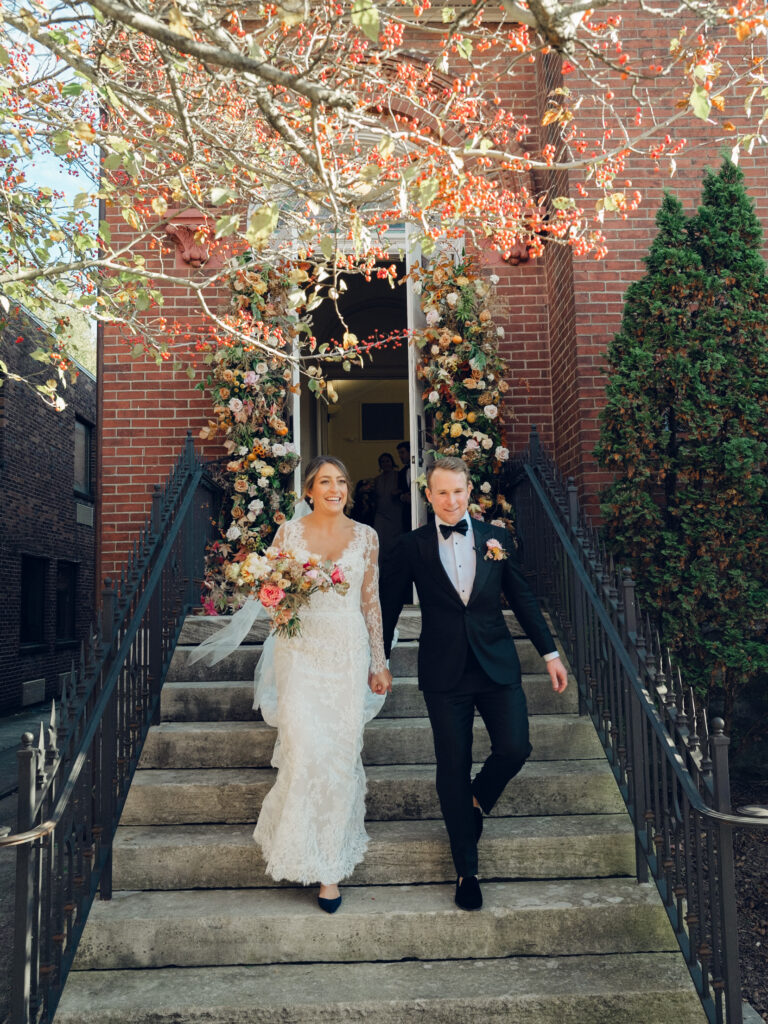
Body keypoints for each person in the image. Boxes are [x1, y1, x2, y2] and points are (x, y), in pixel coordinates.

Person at [194, 456, 392, 914]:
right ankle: (299, 848)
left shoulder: (367, 537)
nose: (335, 489)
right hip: (300, 654)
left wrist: (378, 661)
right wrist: (281, 600)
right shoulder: (289, 534)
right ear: (309, 490)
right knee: (304, 750)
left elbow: (371, 601)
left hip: (345, 652)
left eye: (342, 481)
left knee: (339, 754)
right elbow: (274, 595)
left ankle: (330, 870)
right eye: (326, 481)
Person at [379, 457, 568, 911]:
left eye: (458, 491)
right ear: (428, 496)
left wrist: (550, 654)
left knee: (515, 747)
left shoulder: (496, 539)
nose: (451, 500)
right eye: (441, 492)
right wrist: (379, 659)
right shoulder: (411, 546)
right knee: (451, 766)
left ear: (470, 493)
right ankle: (467, 870)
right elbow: (386, 607)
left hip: (496, 665)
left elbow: (521, 597)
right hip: (444, 673)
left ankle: (478, 798)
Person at [372, 451, 404, 557]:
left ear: (392, 462)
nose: (385, 463)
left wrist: (398, 492)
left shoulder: (398, 475)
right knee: (379, 538)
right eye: (382, 462)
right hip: (381, 513)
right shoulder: (377, 479)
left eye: (387, 461)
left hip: (395, 512)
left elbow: (405, 490)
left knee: (394, 541)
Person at [396, 440, 412, 532]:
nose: (400, 456)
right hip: (407, 513)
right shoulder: (402, 472)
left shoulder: (421, 469)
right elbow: (400, 491)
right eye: (399, 453)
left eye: (402, 452)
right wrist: (403, 497)